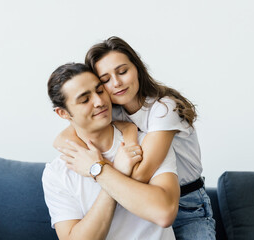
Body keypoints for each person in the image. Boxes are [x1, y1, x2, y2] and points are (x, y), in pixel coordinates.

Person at [54, 37, 216, 240]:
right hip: (145, 201)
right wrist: (129, 132)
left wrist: (95, 167)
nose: (117, 83)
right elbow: (62, 139)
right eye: (105, 80)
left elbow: (140, 175)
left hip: (187, 203)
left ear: (137, 68)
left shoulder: (164, 109)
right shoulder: (113, 111)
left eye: (122, 72)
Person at [42, 63, 180, 240]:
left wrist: (99, 169)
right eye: (85, 100)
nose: (100, 102)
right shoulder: (57, 173)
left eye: (100, 91)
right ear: (63, 113)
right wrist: (109, 171)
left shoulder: (147, 142)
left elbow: (164, 212)